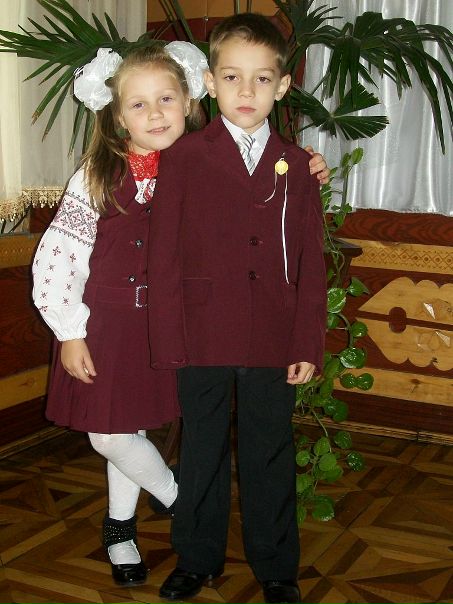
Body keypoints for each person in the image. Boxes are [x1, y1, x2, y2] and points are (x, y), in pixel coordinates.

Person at [147, 13, 328, 604]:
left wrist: (306, 342)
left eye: (261, 79)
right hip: (201, 330)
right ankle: (195, 557)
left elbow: (310, 261)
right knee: (201, 447)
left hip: (273, 334)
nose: (246, 91)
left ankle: (276, 566)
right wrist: (168, 338)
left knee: (268, 448)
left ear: (282, 86)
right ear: (210, 82)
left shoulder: (298, 166)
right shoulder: (183, 157)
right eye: (231, 77)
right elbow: (164, 256)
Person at [31, 41, 209, 588]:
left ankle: (120, 529)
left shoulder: (202, 170)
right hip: (104, 325)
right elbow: (59, 256)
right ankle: (178, 496)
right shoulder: (96, 175)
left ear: (188, 102)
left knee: (129, 428)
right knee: (109, 435)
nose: (155, 113)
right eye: (138, 104)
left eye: (166, 98)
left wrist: (308, 168)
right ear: (117, 117)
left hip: (165, 326)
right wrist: (69, 331)